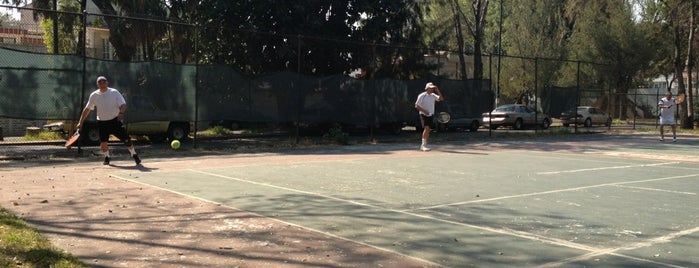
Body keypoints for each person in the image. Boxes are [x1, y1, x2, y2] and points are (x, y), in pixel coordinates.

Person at [77, 76, 141, 165]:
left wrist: (121, 113)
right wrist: (80, 122)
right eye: (100, 82)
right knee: (103, 143)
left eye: (104, 82)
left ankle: (134, 155)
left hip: (115, 121)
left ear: (107, 83)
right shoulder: (94, 95)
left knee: (127, 140)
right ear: (97, 84)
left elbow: (123, 105)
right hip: (102, 123)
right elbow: (87, 109)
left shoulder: (114, 92)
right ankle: (107, 157)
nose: (102, 84)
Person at [414, 82, 444, 151]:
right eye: (431, 88)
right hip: (423, 114)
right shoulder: (422, 95)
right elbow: (416, 106)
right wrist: (425, 111)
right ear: (427, 88)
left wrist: (438, 90)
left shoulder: (433, 95)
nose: (432, 89)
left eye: (433, 88)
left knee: (428, 130)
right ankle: (423, 145)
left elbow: (441, 99)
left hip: (430, 114)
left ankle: (424, 145)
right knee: (427, 128)